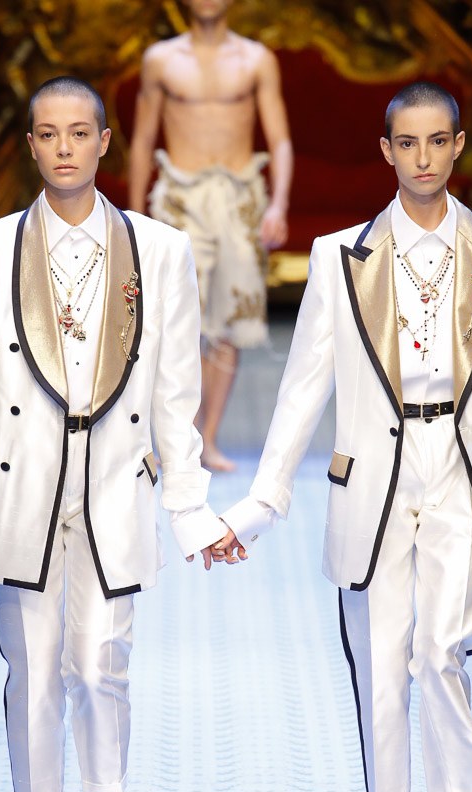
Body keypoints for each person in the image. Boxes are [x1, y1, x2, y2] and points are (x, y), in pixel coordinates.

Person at [216, 82, 472, 792]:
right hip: (372, 484)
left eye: (437, 141)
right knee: (379, 672)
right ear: (386, 150)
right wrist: (262, 502)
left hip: (461, 475)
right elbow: (303, 386)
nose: (423, 157)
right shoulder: (338, 256)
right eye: (407, 143)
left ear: (458, 145)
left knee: (440, 654)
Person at [0, 76, 230, 792]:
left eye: (78, 133)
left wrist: (191, 512)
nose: (63, 147)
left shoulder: (160, 250)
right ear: (30, 144)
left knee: (101, 668)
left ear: (105, 141)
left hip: (113, 489)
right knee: (32, 677)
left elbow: (174, 395)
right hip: (17, 488)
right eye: (47, 134)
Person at [128, 0, 293, 472]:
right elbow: (142, 139)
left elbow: (279, 138)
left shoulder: (256, 59)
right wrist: (134, 217)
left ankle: (207, 438)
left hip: (239, 197)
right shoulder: (161, 59)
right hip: (180, 197)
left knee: (232, 321)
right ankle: (175, 438)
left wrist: (279, 204)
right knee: (178, 322)